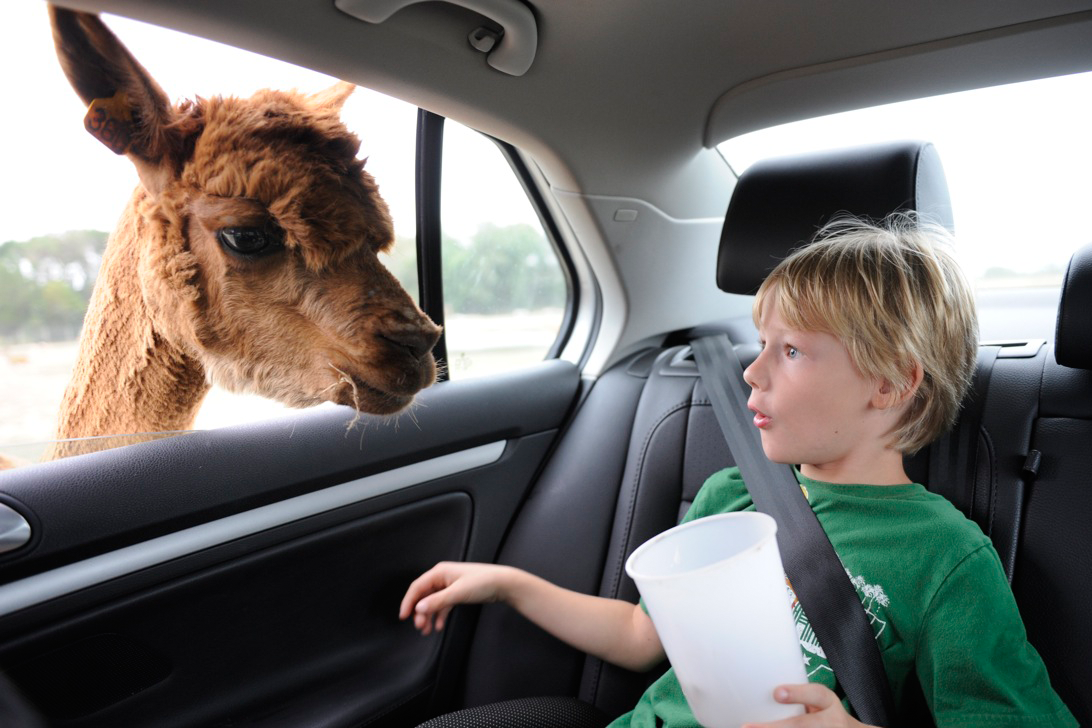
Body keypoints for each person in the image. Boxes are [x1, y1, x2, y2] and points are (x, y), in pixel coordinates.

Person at [400, 215, 1076, 727]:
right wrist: (510, 585)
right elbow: (643, 638)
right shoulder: (733, 494)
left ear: (891, 383)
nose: (752, 372)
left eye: (790, 351)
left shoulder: (945, 558)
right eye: (760, 345)